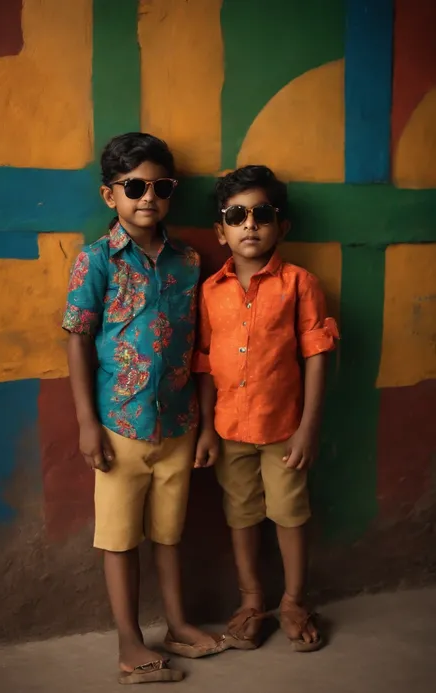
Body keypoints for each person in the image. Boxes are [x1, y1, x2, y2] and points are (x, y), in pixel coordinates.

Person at [63, 133, 226, 685]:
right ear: (111, 195)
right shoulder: (95, 260)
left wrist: (203, 422)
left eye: (160, 187)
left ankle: (178, 623)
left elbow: (203, 347)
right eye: (134, 186)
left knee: (169, 532)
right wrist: (88, 423)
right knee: (120, 538)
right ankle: (129, 641)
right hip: (120, 427)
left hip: (179, 424)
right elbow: (78, 340)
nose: (147, 197)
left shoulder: (188, 260)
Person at [194, 165, 339, 654]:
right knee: (241, 515)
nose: (250, 224)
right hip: (229, 428)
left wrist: (307, 429)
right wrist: (209, 431)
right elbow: (205, 364)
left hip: (283, 430)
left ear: (282, 226)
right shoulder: (210, 291)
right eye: (237, 215)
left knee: (290, 514)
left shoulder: (300, 284)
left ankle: (296, 601)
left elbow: (317, 356)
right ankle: (253, 600)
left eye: (262, 214)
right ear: (221, 230)